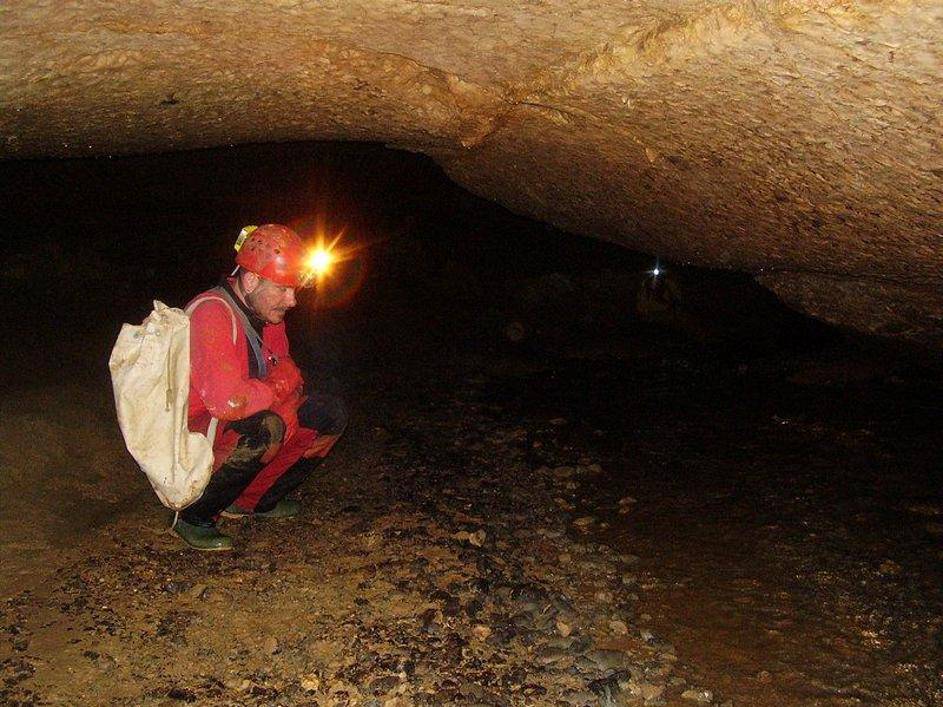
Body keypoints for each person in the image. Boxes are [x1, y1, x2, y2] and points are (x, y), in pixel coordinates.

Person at [173, 224, 348, 551]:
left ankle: (251, 502)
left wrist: (283, 394)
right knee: (266, 428)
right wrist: (279, 390)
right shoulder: (212, 313)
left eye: (294, 289)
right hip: (197, 432)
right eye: (283, 289)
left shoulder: (270, 319)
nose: (292, 300)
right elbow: (230, 402)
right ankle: (193, 516)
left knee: (329, 415)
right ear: (251, 280)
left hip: (236, 420)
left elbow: (289, 374)